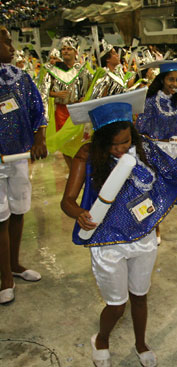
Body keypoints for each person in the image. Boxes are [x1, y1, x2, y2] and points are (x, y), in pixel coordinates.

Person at [60, 89, 177, 367]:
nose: (121, 149)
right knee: (116, 304)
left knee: (140, 296)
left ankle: (140, 343)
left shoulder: (144, 148)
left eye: (126, 141)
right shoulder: (87, 155)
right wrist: (79, 214)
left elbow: (173, 173)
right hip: (107, 242)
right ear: (100, 140)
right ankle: (101, 339)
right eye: (114, 145)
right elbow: (67, 201)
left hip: (142, 236)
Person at [0, 26, 48, 305]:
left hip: (18, 156)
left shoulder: (20, 77)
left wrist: (39, 138)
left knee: (18, 209)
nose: (12, 46)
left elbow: (37, 111)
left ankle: (14, 264)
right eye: (5, 42)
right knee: (1, 216)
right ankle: (4, 275)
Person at [136, 60, 177, 238]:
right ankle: (155, 229)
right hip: (157, 149)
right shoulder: (150, 101)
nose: (175, 84)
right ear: (162, 80)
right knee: (155, 192)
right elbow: (141, 128)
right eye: (171, 79)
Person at [41, 37, 93, 167]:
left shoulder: (84, 69)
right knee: (65, 143)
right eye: (63, 49)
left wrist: (85, 97)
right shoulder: (52, 70)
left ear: (76, 52)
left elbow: (93, 87)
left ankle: (79, 169)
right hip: (62, 111)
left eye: (69, 49)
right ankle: (72, 169)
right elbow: (42, 91)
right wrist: (55, 94)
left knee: (80, 142)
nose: (65, 51)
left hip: (79, 110)